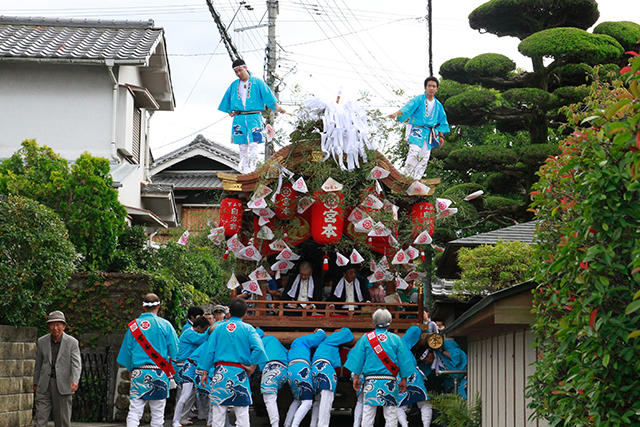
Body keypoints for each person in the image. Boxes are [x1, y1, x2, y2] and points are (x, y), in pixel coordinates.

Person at [199, 298, 268, 427]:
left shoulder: (218, 328)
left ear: (228, 312)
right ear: (245, 313)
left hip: (220, 373)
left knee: (218, 416)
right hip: (239, 373)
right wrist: (252, 366)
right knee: (242, 415)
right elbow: (259, 348)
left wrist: (204, 371)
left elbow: (209, 351)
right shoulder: (248, 329)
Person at [117, 293, 179, 427]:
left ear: (143, 307)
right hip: (159, 373)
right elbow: (175, 352)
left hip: (138, 373)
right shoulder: (165, 325)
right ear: (159, 306)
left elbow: (127, 352)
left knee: (134, 411)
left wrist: (130, 369)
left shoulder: (133, 326)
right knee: (157, 414)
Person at [344, 309, 414, 427]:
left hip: (371, 381)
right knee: (391, 415)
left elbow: (357, 359)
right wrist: (404, 379)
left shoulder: (366, 338)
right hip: (390, 381)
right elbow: (404, 361)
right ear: (390, 322)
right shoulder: (396, 339)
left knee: (368, 413)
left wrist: (356, 377)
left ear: (373, 322)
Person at [219, 58, 286, 174]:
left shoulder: (257, 82)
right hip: (239, 118)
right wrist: (229, 110)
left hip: (254, 116)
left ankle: (253, 168)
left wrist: (277, 107)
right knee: (242, 144)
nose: (238, 73)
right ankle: (245, 168)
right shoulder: (234, 85)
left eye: (240, 70)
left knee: (254, 143)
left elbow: (267, 95)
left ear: (245, 68)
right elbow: (227, 99)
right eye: (236, 72)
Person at [388, 77, 450, 180]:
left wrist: (440, 136)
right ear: (425, 87)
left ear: (436, 89)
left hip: (429, 133)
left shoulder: (438, 105)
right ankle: (406, 178)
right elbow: (407, 108)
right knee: (414, 152)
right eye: (429, 86)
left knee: (424, 157)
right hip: (416, 129)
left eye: (434, 86)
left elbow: (441, 121)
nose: (431, 88)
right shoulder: (418, 99)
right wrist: (396, 114)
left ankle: (416, 179)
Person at [33, 310, 82, 427]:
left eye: (58, 324)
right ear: (48, 326)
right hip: (44, 385)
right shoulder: (42, 341)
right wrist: (35, 382)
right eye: (52, 324)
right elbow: (38, 364)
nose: (55, 328)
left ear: (64, 326)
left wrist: (75, 380)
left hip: (64, 385)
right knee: (40, 419)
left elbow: (76, 364)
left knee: (62, 421)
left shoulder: (72, 342)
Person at [172, 316, 213, 427]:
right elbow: (202, 338)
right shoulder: (189, 333)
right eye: (204, 329)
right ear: (199, 327)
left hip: (196, 367)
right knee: (185, 395)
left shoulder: (198, 335)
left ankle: (201, 416)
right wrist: (211, 330)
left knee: (197, 395)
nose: (204, 332)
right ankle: (176, 420)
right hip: (188, 366)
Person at [309, 327, 354, 427]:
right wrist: (340, 330)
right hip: (325, 367)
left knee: (318, 401)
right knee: (326, 400)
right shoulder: (330, 339)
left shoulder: (321, 345)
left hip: (315, 368)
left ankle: (313, 424)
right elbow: (348, 334)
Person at [284, 329, 327, 427]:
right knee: (307, 402)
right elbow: (320, 336)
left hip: (290, 371)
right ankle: (294, 425)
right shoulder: (300, 340)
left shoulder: (291, 350)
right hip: (301, 367)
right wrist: (318, 331)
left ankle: (287, 424)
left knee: (297, 399)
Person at [396, 326, 433, 427]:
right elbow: (414, 331)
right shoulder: (404, 343)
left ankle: (404, 425)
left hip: (399, 376)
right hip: (413, 376)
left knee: (400, 404)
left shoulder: (395, 345)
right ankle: (426, 425)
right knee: (425, 403)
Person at [256, 328, 289, 427]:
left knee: (270, 399)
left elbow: (257, 355)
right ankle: (287, 423)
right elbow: (287, 352)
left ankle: (275, 425)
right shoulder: (274, 339)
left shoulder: (259, 342)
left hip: (271, 368)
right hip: (284, 369)